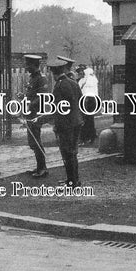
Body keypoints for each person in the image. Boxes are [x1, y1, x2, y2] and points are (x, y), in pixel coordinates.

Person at [45, 59, 83, 187]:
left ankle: (72, 182)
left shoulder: (59, 86)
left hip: (66, 125)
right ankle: (73, 180)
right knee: (73, 152)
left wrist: (54, 124)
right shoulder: (73, 83)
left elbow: (59, 109)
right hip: (77, 121)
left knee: (67, 153)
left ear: (53, 72)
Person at [21, 54, 49, 177]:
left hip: (36, 114)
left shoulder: (41, 78)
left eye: (28, 65)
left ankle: (43, 168)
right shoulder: (32, 78)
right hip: (30, 114)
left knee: (36, 141)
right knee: (32, 141)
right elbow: (32, 94)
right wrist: (24, 97)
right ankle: (39, 167)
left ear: (34, 65)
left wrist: (30, 105)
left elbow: (42, 97)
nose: (26, 67)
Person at [78, 66, 99, 144]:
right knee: (90, 119)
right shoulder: (93, 80)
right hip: (92, 100)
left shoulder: (87, 80)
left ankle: (86, 137)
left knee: (86, 120)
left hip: (87, 100)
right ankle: (91, 136)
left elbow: (83, 90)